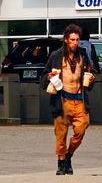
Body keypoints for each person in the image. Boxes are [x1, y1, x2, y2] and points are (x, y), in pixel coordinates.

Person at [40, 23, 97, 175]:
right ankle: (61, 163)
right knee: (61, 134)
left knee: (81, 128)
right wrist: (49, 76)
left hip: (79, 100)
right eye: (72, 40)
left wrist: (92, 77)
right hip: (62, 100)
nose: (75, 43)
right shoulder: (56, 56)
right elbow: (43, 77)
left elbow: (92, 71)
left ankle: (68, 155)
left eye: (77, 40)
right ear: (66, 40)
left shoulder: (83, 55)